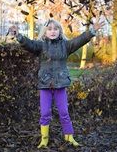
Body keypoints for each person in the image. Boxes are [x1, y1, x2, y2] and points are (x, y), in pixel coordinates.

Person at [9, 19, 100, 148]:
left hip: (60, 84)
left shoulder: (66, 45)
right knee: (45, 113)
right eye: (49, 29)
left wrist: (91, 31)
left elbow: (79, 40)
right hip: (45, 85)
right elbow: (28, 44)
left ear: (60, 31)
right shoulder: (40, 46)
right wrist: (18, 35)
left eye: (55, 29)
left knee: (64, 112)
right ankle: (44, 139)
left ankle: (69, 137)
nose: (53, 31)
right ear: (45, 31)